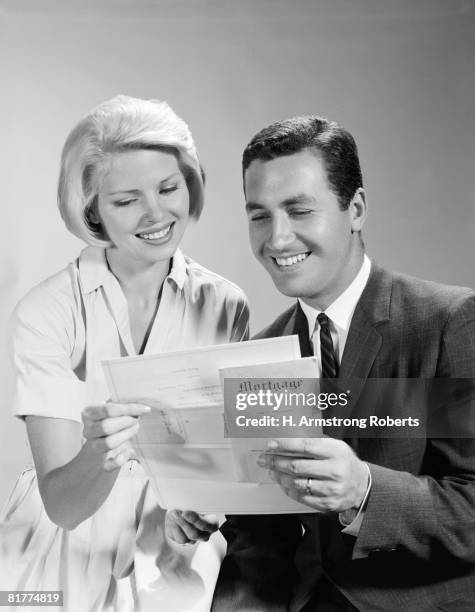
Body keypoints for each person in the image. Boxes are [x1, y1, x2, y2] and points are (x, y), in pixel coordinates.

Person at [212, 115, 475, 611]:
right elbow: (259, 543)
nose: (278, 239)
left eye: (299, 210)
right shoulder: (259, 358)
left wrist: (365, 490)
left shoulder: (447, 322)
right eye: (259, 215)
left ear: (355, 208)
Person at [0, 95, 249, 612]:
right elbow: (64, 506)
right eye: (126, 199)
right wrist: (101, 450)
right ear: (92, 209)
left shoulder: (226, 305)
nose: (157, 214)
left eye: (168, 187)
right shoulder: (45, 312)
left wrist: (207, 504)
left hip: (177, 547)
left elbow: (222, 465)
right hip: (58, 546)